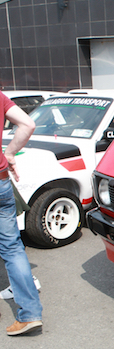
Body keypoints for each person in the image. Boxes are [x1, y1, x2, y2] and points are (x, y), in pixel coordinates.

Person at [0, 90, 43, 335]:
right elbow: (28, 123)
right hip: (1, 180)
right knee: (12, 247)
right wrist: (9, 153)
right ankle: (29, 314)